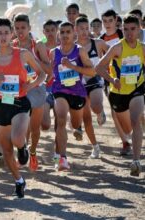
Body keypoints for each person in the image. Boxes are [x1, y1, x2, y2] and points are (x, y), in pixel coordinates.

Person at [0, 18, 45, 198]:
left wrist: (30, 86)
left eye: (6, 33)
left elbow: (42, 74)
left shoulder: (23, 54)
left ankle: (23, 147)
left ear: (12, 34)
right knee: (7, 150)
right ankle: (19, 180)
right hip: (1, 105)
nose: (3, 36)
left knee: (17, 139)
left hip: (20, 103)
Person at [96, 15, 144, 176]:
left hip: (137, 89)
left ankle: (136, 161)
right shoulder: (117, 47)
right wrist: (112, 79)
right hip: (118, 93)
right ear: (122, 29)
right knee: (127, 128)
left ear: (139, 29)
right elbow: (99, 67)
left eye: (133, 29)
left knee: (135, 120)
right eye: (126, 29)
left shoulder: (142, 48)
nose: (129, 33)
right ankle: (129, 141)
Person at [50, 22, 95, 171]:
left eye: (67, 32)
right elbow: (49, 72)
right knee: (61, 119)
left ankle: (75, 126)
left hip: (77, 92)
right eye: (61, 32)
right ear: (58, 34)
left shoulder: (80, 51)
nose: (64, 35)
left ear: (73, 33)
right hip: (60, 90)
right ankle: (62, 158)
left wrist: (73, 67)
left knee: (75, 125)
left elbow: (92, 72)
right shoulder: (54, 52)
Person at [13, 13, 51, 171]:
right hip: (19, 89)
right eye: (17, 28)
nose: (20, 31)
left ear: (29, 28)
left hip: (36, 88)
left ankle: (33, 152)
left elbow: (49, 70)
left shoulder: (38, 46)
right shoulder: (12, 45)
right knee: (22, 126)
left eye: (23, 28)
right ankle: (23, 153)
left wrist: (32, 61)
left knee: (35, 127)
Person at [75, 17, 109, 158]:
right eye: (81, 29)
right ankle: (95, 147)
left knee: (95, 106)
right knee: (86, 119)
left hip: (95, 80)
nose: (84, 31)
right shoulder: (73, 47)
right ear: (76, 30)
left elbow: (114, 55)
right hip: (79, 84)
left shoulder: (98, 43)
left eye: (86, 28)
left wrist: (107, 68)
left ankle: (100, 112)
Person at [100, 9, 131, 155]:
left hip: (131, 77)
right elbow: (101, 62)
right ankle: (125, 142)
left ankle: (135, 132)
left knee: (135, 110)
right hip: (112, 80)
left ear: (116, 20)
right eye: (104, 21)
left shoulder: (123, 34)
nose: (107, 24)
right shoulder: (101, 39)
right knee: (114, 111)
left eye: (110, 21)